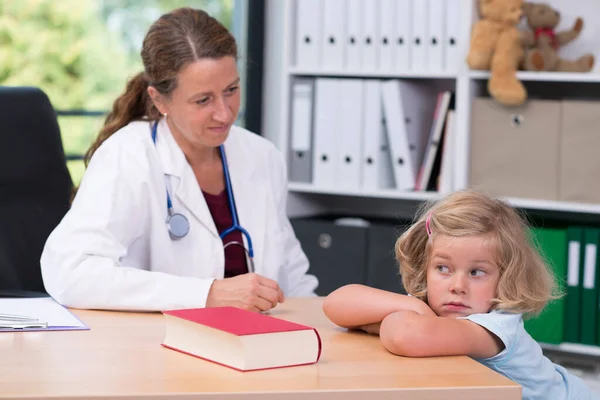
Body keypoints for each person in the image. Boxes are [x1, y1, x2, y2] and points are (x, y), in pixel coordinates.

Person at [40, 7, 317, 313]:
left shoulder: (261, 156)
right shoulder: (128, 156)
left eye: (231, 90)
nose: (224, 113)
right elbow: (70, 273)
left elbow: (293, 281)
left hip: (253, 347)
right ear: (159, 100)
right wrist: (205, 294)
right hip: (153, 348)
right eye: (203, 100)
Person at [323, 190, 598, 400]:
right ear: (425, 268)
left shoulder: (494, 329)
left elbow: (405, 335)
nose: (457, 285)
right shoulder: (429, 308)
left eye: (477, 273)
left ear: (506, 277)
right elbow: (336, 303)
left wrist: (403, 316)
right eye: (443, 268)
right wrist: (412, 308)